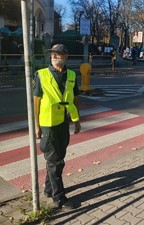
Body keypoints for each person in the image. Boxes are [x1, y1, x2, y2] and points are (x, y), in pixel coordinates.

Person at [33, 44, 81, 210]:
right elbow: (36, 101)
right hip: (48, 124)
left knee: (58, 157)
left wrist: (77, 120)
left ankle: (48, 189)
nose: (54, 56)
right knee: (55, 162)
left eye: (58, 54)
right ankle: (59, 198)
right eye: (52, 53)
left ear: (66, 56)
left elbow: (74, 98)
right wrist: (36, 125)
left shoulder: (72, 74)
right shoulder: (42, 75)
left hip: (63, 122)